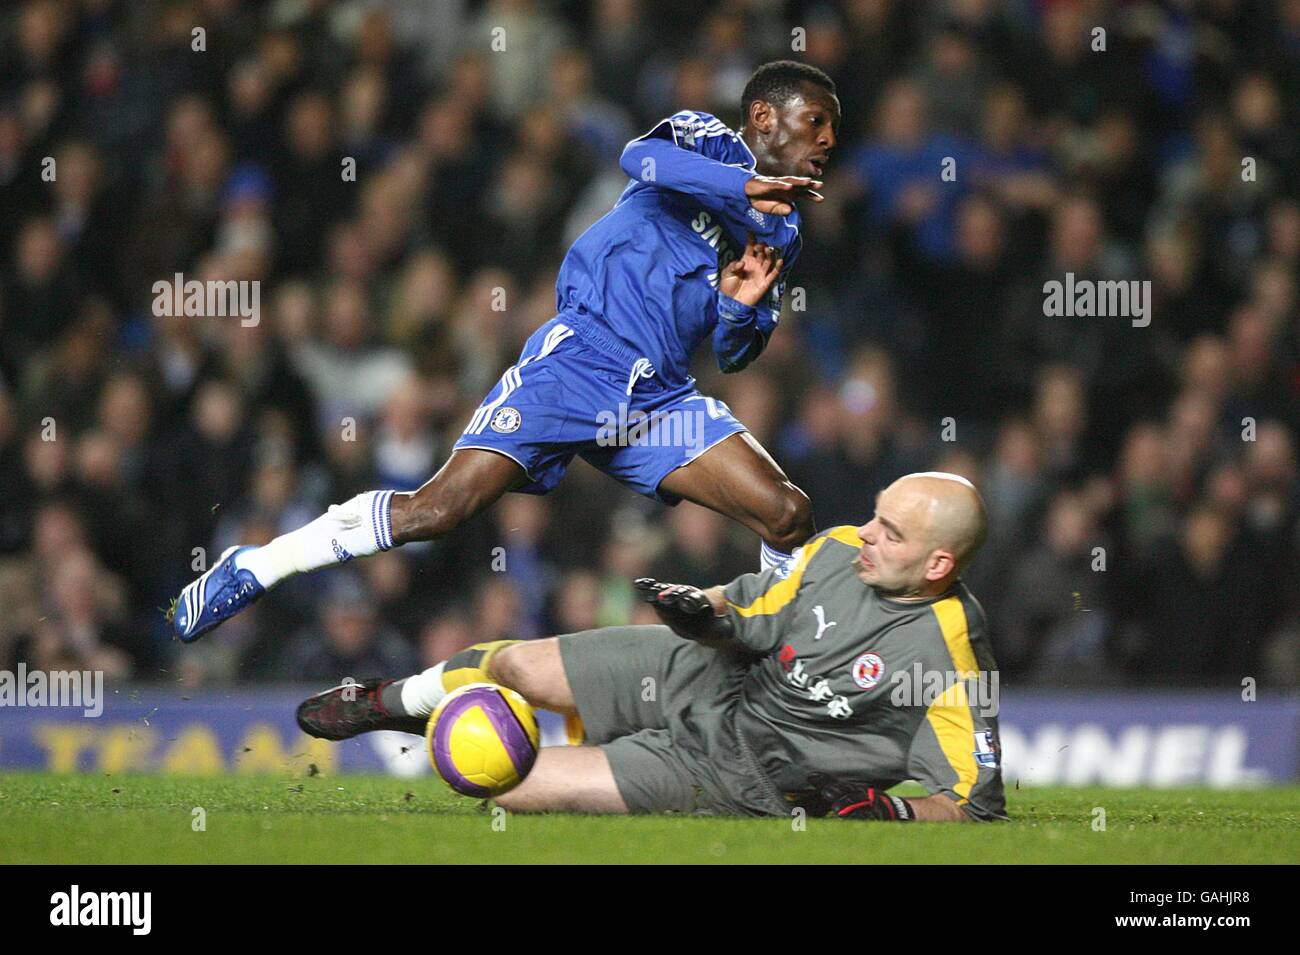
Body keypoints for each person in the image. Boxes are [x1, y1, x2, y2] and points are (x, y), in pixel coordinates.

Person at [170, 59, 841, 641]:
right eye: (816, 120)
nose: (828, 139)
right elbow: (640, 158)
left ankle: (768, 648)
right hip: (580, 360)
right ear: (764, 116)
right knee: (436, 511)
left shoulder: (783, 233)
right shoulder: (708, 141)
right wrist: (743, 188)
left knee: (787, 513)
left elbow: (735, 353)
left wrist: (738, 308)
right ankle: (256, 566)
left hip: (658, 398)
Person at [297, 474, 1007, 822]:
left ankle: (517, 742)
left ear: (939, 565)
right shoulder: (841, 548)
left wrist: (892, 811)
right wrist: (700, 611)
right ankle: (391, 701)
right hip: (708, 669)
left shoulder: (950, 660)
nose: (869, 533)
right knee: (512, 660)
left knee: (504, 786)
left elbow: (975, 801)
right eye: (877, 516)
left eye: (893, 532)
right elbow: (753, 606)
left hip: (738, 769)